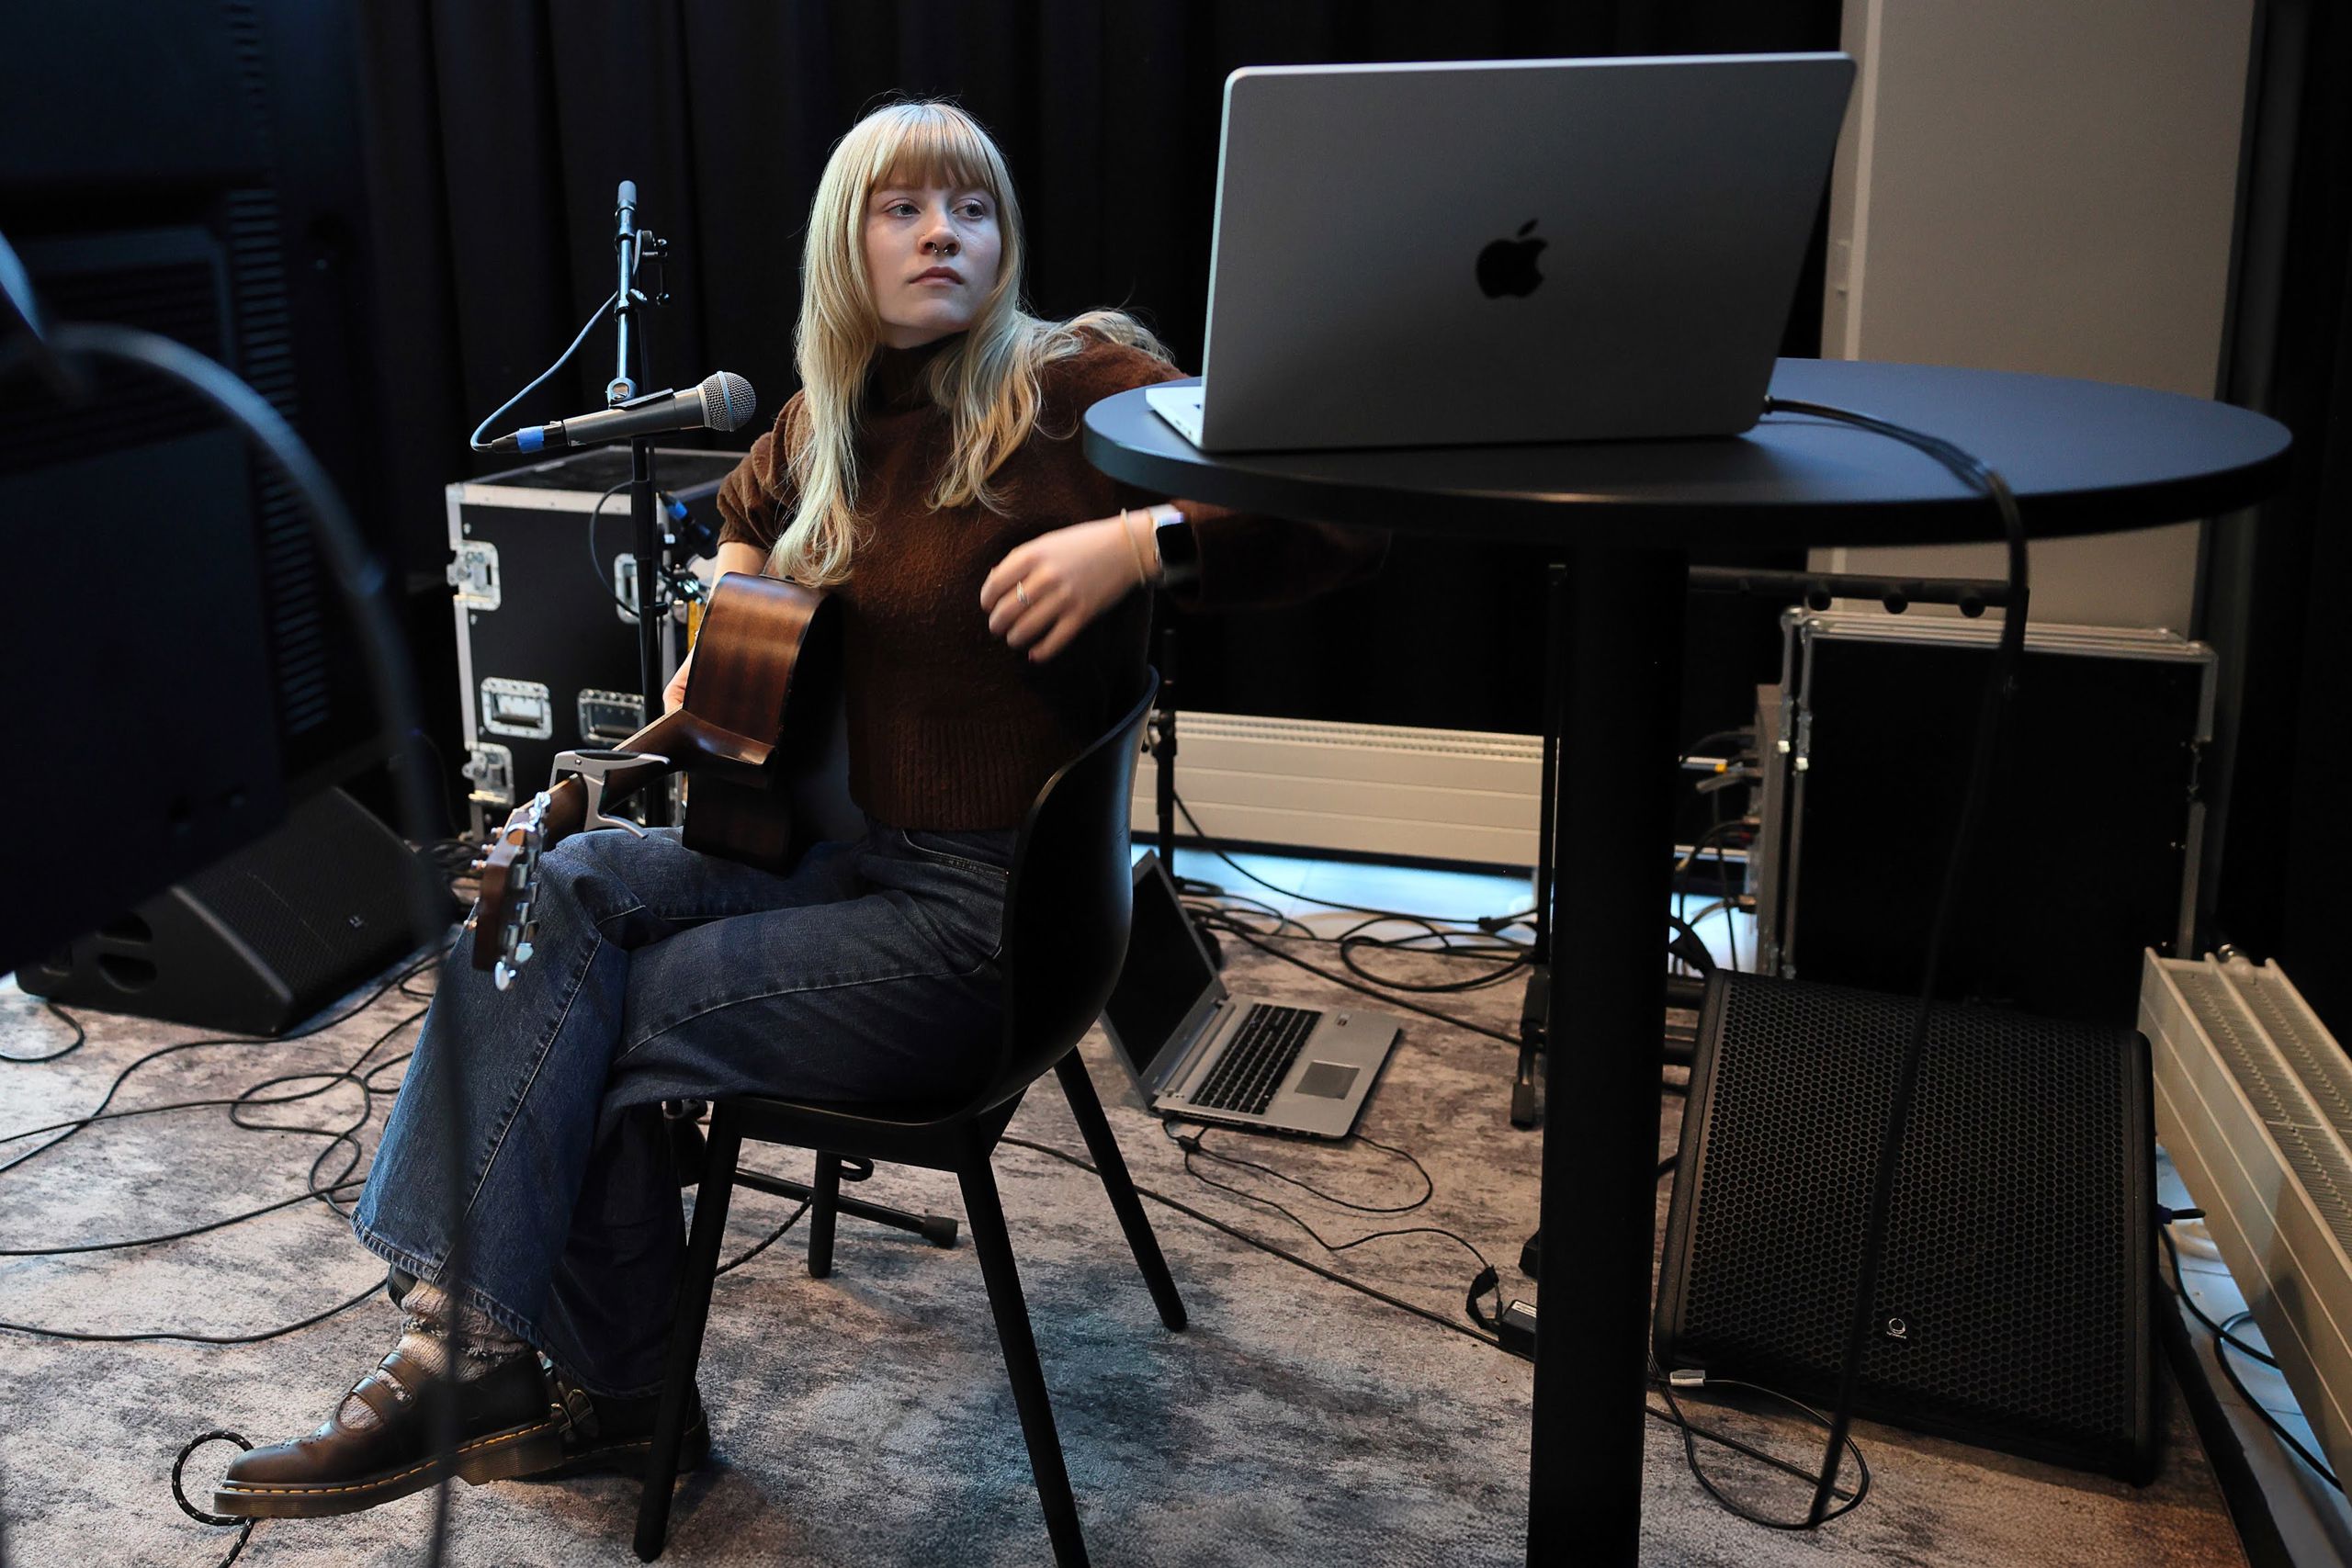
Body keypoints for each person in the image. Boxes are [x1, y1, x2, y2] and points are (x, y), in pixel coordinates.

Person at [216, 96, 1386, 1519]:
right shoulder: (824, 421)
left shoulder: (1077, 386)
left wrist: (1143, 544)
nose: (944, 233)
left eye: (972, 208)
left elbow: (1330, 515)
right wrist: (735, 609)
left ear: (1004, 239)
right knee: (556, 893)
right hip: (839, 859)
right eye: (906, 208)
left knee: (583, 1020)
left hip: (985, 925)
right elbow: (741, 528)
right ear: (848, 244)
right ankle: (534, 1363)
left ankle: (532, 1368)